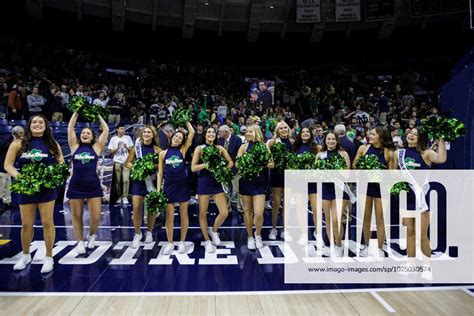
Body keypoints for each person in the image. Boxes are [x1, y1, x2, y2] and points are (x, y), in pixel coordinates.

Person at [4, 115, 64, 273]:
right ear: (29, 125)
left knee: (47, 222)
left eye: (41, 122)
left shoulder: (52, 144)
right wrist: (22, 178)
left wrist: (51, 176)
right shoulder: (18, 143)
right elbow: (8, 165)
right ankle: (25, 255)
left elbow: (61, 163)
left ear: (45, 126)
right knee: (26, 224)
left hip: (46, 189)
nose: (37, 124)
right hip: (26, 189)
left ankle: (49, 257)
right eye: (34, 122)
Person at [394, 127, 446, 281]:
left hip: (422, 199)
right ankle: (410, 263)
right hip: (407, 199)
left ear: (421, 138)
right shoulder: (399, 153)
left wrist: (441, 139)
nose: (411, 135)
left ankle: (427, 267)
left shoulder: (426, 153)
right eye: (410, 132)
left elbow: (442, 159)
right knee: (410, 232)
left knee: (422, 235)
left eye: (416, 134)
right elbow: (395, 173)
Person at [66, 112, 109, 254]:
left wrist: (97, 114)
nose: (85, 134)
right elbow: (70, 127)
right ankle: (79, 241)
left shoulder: (96, 147)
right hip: (76, 185)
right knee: (76, 215)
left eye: (88, 133)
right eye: (83, 133)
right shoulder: (74, 146)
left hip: (93, 185)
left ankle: (92, 235)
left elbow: (106, 130)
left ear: (92, 137)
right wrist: (77, 112)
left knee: (96, 216)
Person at [353, 126, 395, 257]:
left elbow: (393, 173)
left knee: (380, 219)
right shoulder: (363, 148)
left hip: (381, 189)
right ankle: (366, 246)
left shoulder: (389, 152)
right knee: (366, 218)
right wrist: (365, 169)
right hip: (365, 187)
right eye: (369, 134)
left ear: (380, 136)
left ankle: (379, 248)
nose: (369, 136)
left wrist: (379, 174)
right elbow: (355, 165)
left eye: (373, 134)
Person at [191, 126, 233, 253]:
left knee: (224, 212)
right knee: (203, 214)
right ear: (205, 135)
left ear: (216, 135)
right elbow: (193, 168)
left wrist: (224, 169)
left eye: (213, 132)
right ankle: (207, 240)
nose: (211, 134)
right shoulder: (199, 148)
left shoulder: (220, 148)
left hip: (217, 184)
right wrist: (207, 164)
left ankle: (213, 231)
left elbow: (231, 162)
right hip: (204, 183)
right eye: (208, 132)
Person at [157, 122, 195, 255]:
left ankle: (182, 242)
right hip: (168, 186)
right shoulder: (163, 153)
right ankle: (170, 242)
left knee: (184, 214)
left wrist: (185, 120)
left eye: (180, 137)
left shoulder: (182, 150)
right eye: (176, 136)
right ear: (171, 137)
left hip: (182, 186)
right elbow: (160, 173)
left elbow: (192, 133)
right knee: (169, 216)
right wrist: (158, 190)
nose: (177, 138)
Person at [237, 124, 274, 249]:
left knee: (258, 212)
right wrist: (247, 162)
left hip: (259, 183)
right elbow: (237, 163)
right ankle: (250, 237)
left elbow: (271, 164)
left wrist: (259, 161)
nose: (247, 133)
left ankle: (258, 235)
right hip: (246, 182)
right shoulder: (243, 146)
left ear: (257, 132)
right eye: (246, 131)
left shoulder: (264, 147)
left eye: (250, 131)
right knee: (247, 211)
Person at [125, 126, 162, 248]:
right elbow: (128, 163)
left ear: (153, 135)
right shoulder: (136, 149)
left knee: (151, 208)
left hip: (151, 181)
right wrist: (138, 167)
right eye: (144, 132)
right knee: (136, 208)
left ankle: (149, 232)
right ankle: (137, 233)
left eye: (149, 132)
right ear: (141, 135)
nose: (146, 134)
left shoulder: (157, 149)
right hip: (138, 181)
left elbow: (162, 165)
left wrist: (151, 166)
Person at [316, 132, 351, 256]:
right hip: (325, 189)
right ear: (325, 141)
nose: (331, 141)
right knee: (329, 220)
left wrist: (334, 171)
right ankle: (333, 244)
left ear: (337, 141)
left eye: (333, 139)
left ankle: (338, 245)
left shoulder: (343, 154)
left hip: (340, 190)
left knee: (336, 219)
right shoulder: (320, 155)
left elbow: (347, 175)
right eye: (328, 139)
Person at [294, 127, 322, 246]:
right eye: (303, 132)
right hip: (300, 182)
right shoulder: (295, 147)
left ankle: (318, 233)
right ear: (300, 134)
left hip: (314, 182)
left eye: (307, 132)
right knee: (300, 208)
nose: (305, 133)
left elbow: (321, 165)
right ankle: (303, 234)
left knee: (316, 209)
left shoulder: (317, 147)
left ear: (311, 134)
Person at [267, 121, 294, 240]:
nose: (283, 130)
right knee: (276, 204)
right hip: (276, 175)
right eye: (281, 128)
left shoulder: (293, 142)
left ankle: (285, 229)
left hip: (289, 176)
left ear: (288, 130)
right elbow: (268, 157)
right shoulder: (272, 142)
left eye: (285, 128)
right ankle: (273, 229)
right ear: (277, 130)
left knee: (287, 204)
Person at [217, 124, 243, 210]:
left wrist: (236, 168)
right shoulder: (219, 140)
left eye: (220, 132)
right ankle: (227, 208)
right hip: (223, 169)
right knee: (225, 190)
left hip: (236, 169)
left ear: (226, 132)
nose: (219, 133)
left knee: (238, 189)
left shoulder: (237, 139)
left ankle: (241, 207)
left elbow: (239, 155)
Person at [108, 123, 134, 204]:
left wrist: (126, 147)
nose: (123, 130)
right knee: (118, 181)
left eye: (124, 128)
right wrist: (117, 148)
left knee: (126, 180)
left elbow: (132, 151)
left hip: (126, 162)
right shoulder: (113, 139)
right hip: (117, 162)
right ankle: (119, 196)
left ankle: (125, 196)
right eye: (121, 128)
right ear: (117, 129)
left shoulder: (128, 138)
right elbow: (111, 152)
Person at [0, 126, 25, 209]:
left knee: (8, 185)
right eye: (21, 133)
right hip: (1, 166)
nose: (23, 134)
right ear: (15, 133)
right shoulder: (7, 140)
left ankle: (7, 202)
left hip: (9, 167)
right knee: (1, 186)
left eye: (23, 132)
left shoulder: (19, 141)